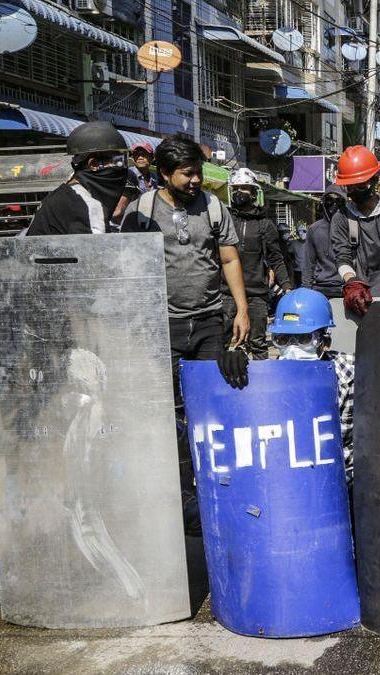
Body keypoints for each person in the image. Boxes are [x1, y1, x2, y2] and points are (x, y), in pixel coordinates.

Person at [119, 135, 251, 534]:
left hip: (210, 321)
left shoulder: (213, 207)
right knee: (169, 413)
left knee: (211, 407)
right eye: (187, 173)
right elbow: (127, 267)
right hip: (163, 325)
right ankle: (180, 497)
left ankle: (218, 490)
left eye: (198, 172)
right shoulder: (141, 211)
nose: (195, 180)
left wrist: (241, 309)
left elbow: (228, 257)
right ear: (164, 174)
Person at [268, 288, 355, 478]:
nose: (292, 348)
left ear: (325, 342)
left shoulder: (350, 374)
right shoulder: (268, 380)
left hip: (342, 478)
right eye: (282, 339)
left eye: (303, 339)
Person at [224, 167, 292, 358]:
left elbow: (276, 258)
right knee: (220, 341)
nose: (240, 192)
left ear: (254, 192)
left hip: (256, 293)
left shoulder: (265, 224)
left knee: (258, 344)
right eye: (236, 188)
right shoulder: (225, 219)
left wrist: (287, 287)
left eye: (245, 188)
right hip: (226, 292)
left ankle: (261, 384)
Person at [332, 145, 380, 299]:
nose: (355, 192)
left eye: (360, 186)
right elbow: (342, 258)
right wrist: (352, 282)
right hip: (365, 299)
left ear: (374, 181)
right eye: (350, 187)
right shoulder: (342, 217)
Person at [25, 121, 128, 236]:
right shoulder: (88, 205)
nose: (122, 167)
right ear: (93, 164)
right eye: (117, 161)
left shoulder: (64, 194)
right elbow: (98, 252)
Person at [303, 186, 348, 297]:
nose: (333, 205)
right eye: (329, 200)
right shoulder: (314, 230)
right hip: (321, 288)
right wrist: (306, 293)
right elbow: (308, 265)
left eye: (338, 201)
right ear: (323, 204)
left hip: (346, 287)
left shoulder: (352, 226)